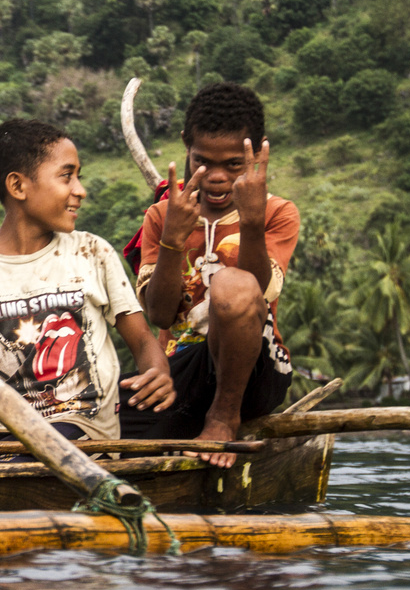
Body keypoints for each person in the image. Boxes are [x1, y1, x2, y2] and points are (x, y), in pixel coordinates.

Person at [0, 118, 176, 451]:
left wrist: (158, 372)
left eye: (78, 177)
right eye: (66, 176)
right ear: (18, 186)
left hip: (80, 427)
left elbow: (142, 339)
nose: (80, 190)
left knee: (40, 457)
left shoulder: (92, 252)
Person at [123, 82, 300, 468]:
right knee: (113, 421)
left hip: (254, 372)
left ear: (257, 152)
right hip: (184, 371)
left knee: (232, 284)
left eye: (234, 165)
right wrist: (172, 239)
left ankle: (223, 418)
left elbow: (262, 291)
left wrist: (252, 224)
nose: (217, 177)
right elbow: (160, 315)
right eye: (203, 162)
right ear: (186, 145)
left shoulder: (278, 212)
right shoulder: (161, 215)